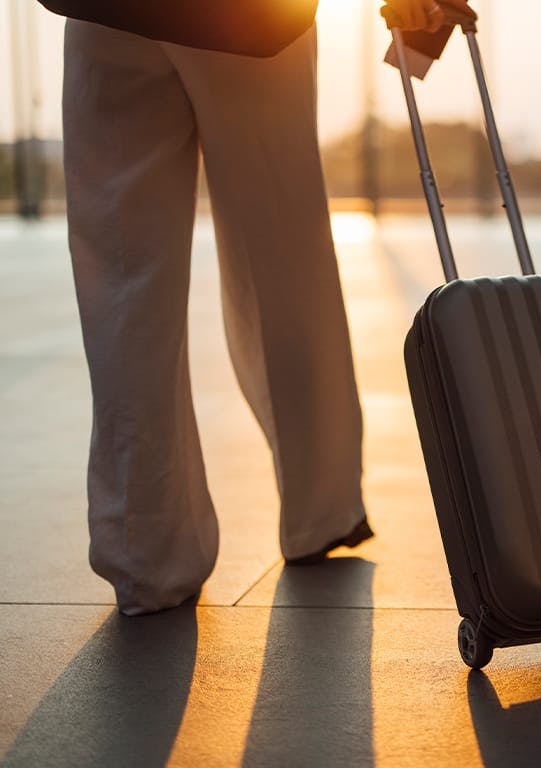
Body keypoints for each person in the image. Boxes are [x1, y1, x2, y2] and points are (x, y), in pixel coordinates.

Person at [62, 0, 475, 616]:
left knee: (123, 281)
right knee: (281, 254)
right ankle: (319, 510)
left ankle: (146, 554)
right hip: (247, 20)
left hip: (105, 13)